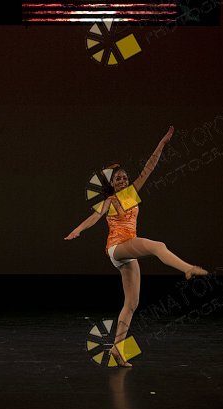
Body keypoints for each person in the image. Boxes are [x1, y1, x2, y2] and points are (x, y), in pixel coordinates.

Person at [65, 126, 207, 367]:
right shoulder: (111, 200)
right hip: (117, 247)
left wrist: (162, 144)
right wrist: (78, 230)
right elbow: (95, 217)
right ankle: (188, 269)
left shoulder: (130, 195)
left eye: (124, 177)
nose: (122, 180)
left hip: (128, 250)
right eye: (118, 178)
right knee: (158, 245)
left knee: (132, 303)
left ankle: (117, 349)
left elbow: (149, 168)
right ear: (112, 184)